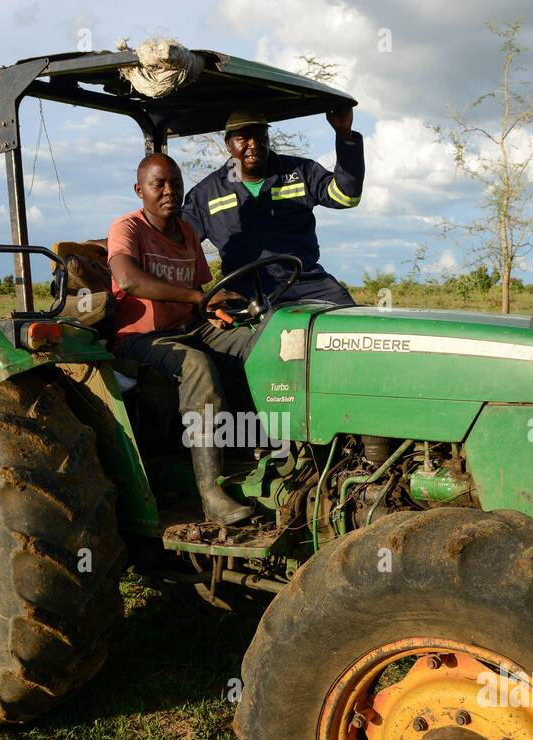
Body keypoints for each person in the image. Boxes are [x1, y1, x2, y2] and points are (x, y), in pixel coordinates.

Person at [107, 153, 255, 527]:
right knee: (196, 366)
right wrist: (198, 300)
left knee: (253, 342)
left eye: (175, 182)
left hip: (187, 327)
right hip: (141, 339)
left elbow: (197, 289)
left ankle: (257, 446)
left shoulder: (187, 232)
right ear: (140, 190)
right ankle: (210, 493)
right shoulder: (127, 228)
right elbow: (128, 280)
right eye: (159, 184)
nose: (169, 191)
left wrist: (210, 308)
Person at [181, 106, 364, 309]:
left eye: (260, 136)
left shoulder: (301, 172)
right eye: (243, 138)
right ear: (228, 144)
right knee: (237, 335)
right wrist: (198, 295)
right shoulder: (205, 193)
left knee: (351, 322)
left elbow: (346, 197)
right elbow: (177, 245)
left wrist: (344, 134)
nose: (253, 144)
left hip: (306, 282)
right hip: (243, 290)